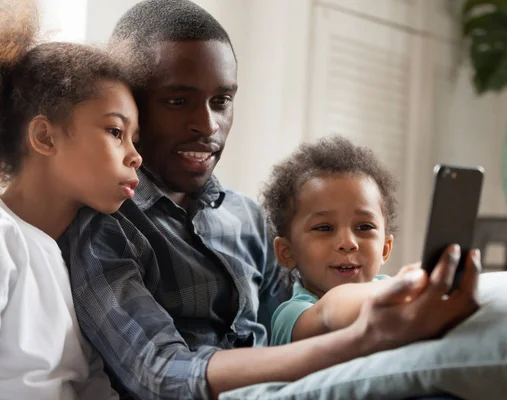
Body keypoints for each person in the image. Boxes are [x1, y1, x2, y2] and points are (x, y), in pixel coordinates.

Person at [58, 1, 481, 399]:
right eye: (177, 101)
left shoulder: (245, 216)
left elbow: (301, 316)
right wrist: (364, 338)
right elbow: (162, 374)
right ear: (129, 106)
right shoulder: (103, 226)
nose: (207, 124)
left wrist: (394, 302)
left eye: (222, 101)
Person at [0, 0, 142, 398]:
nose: (136, 155)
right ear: (45, 137)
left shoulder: (80, 257)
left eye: (135, 139)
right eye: (116, 132)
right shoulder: (4, 238)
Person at [261, 136, 475, 346]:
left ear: (385, 248)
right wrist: (406, 287)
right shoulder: (291, 316)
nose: (348, 242)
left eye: (364, 227)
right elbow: (328, 312)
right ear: (286, 253)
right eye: (324, 228)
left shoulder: (387, 286)